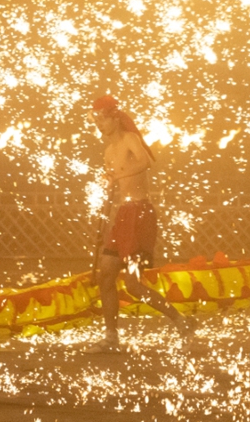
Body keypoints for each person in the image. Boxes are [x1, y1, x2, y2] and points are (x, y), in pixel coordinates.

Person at [88, 94, 194, 353]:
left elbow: (146, 161)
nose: (99, 124)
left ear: (115, 117)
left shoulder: (129, 139)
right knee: (106, 275)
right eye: (95, 120)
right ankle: (111, 337)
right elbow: (115, 186)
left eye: (103, 118)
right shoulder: (108, 151)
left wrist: (117, 175)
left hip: (140, 214)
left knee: (133, 285)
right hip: (123, 214)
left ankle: (180, 321)